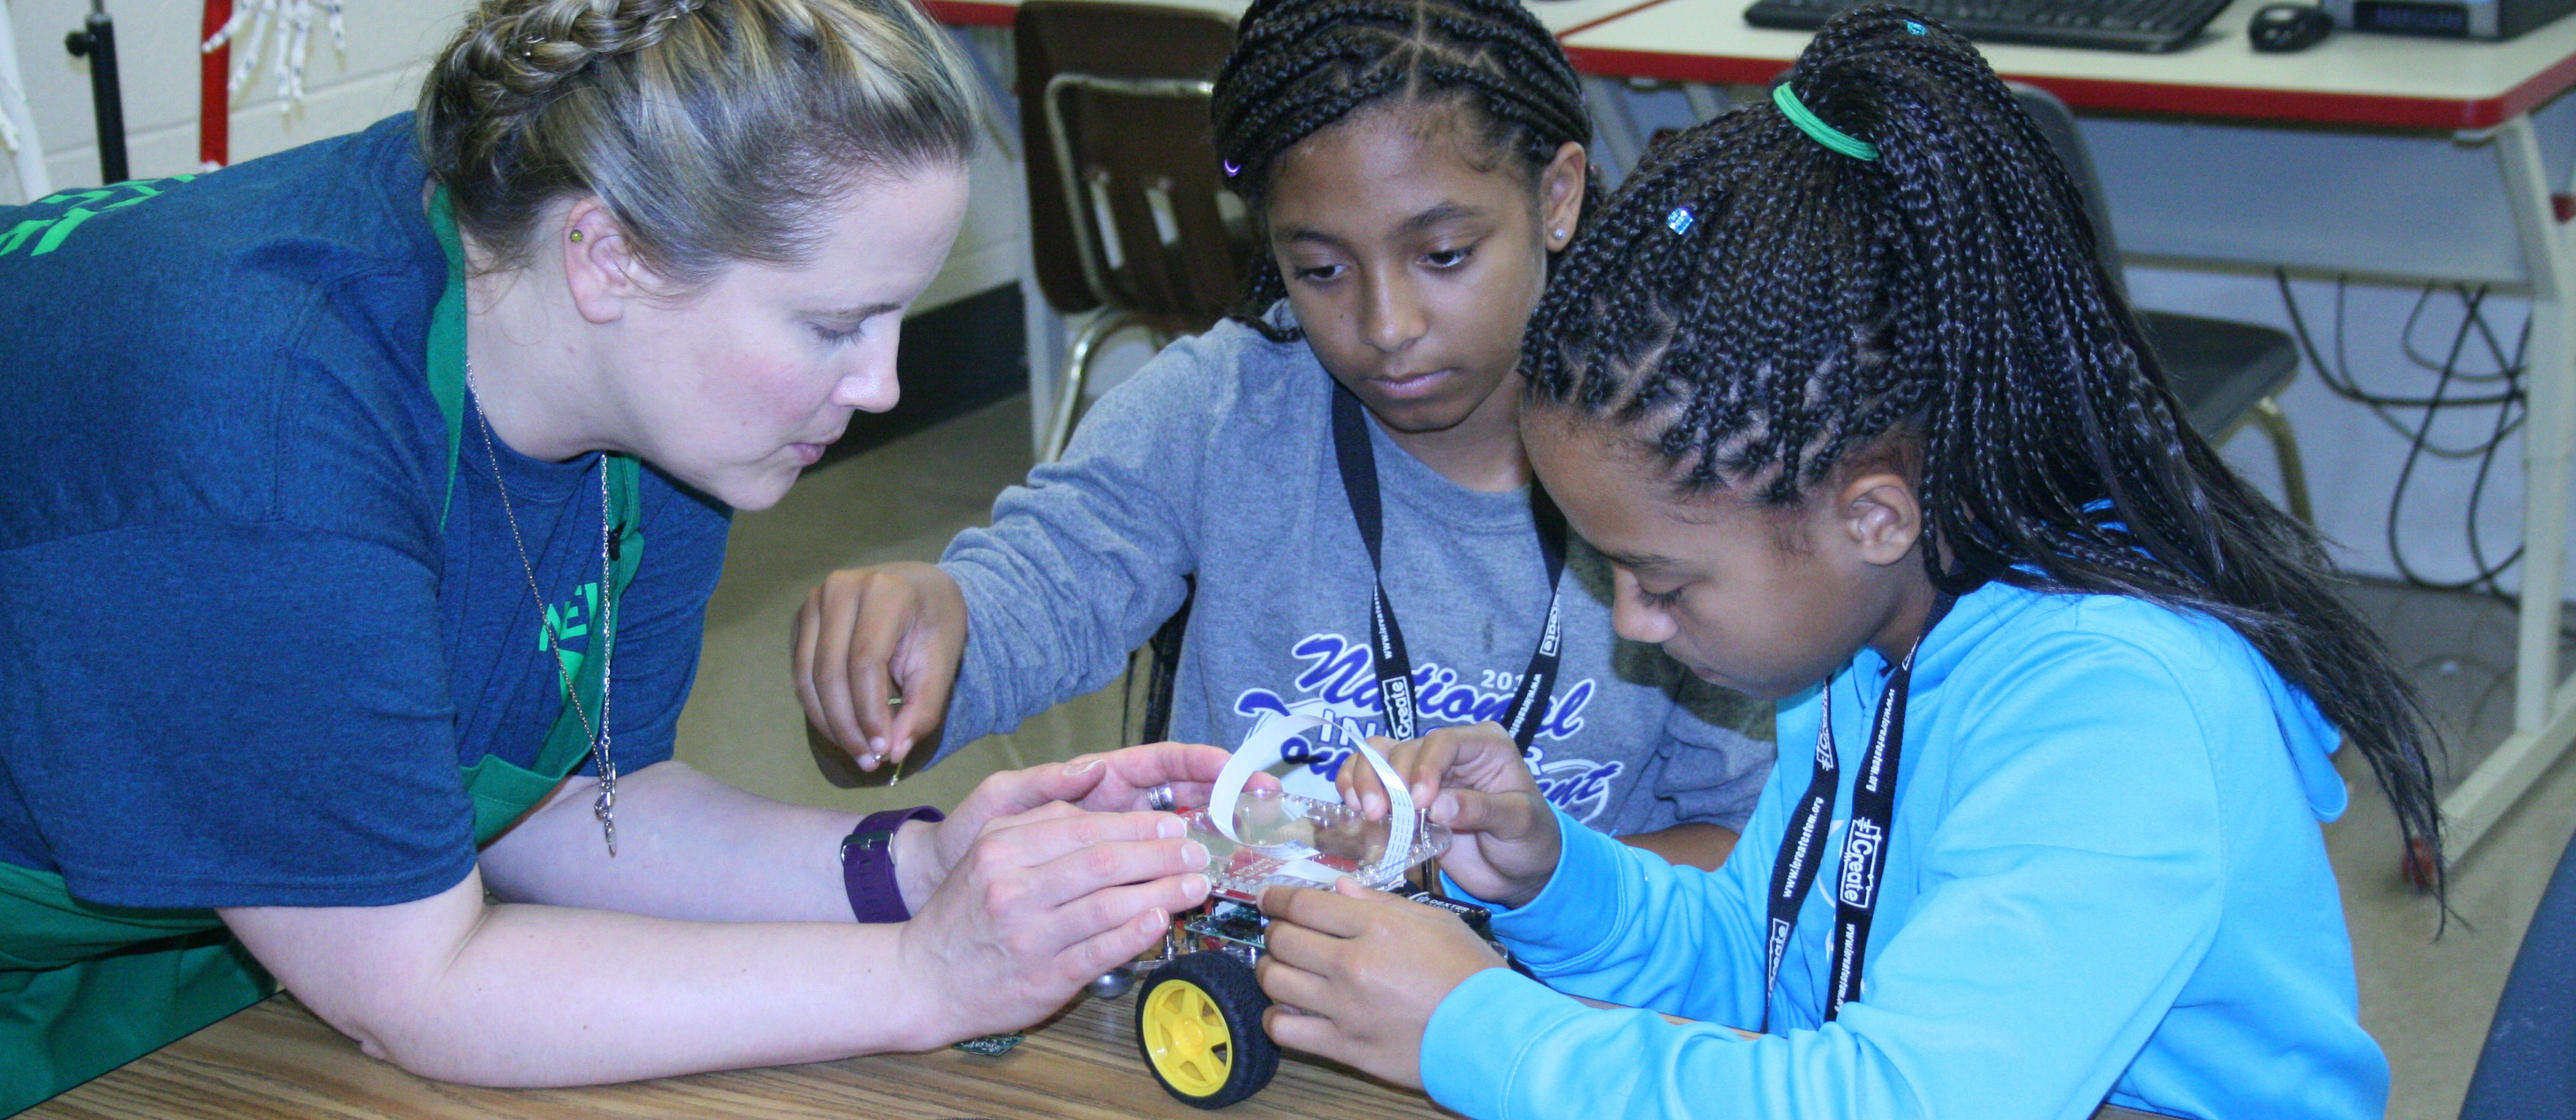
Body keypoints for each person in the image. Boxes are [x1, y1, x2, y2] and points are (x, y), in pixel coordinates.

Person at [0, 0, 1225, 1110]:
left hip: (169, 940)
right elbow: (417, 984)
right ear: (608, 254)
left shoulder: (641, 381)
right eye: (832, 325)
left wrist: (917, 866)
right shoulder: (265, 438)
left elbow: (575, 805)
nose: (883, 384)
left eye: (895, 315)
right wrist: (924, 977)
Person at [1254, 9, 2442, 1119]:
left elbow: (1896, 1101)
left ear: (1872, 515)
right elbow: (1758, 950)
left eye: (1664, 581)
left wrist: (1475, 1025)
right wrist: (1553, 875)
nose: (1637, 621)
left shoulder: (2115, 709)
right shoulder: (1873, 629)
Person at [794, 0, 1773, 871]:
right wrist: (905, 650)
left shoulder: (1686, 467)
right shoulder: (1220, 413)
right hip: (1245, 1012)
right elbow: (1030, 594)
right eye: (1320, 271)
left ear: (1557, 198)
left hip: (1554, 1024)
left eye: (1443, 254)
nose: (1387, 325)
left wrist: (1533, 883)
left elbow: (1750, 854)